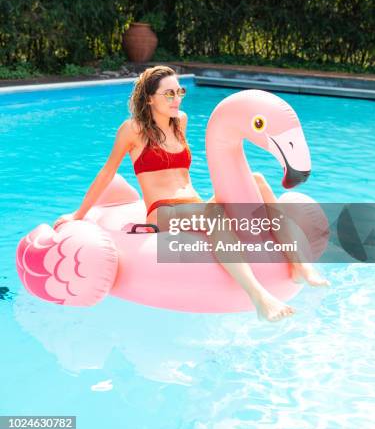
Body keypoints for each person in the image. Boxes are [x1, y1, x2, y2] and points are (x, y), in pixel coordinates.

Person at [53, 65, 329, 322]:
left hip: (194, 204)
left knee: (256, 180)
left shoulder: (180, 122)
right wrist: (79, 215)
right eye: (169, 93)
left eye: (179, 92)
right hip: (164, 211)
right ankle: (259, 297)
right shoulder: (133, 130)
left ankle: (300, 264)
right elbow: (107, 173)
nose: (177, 99)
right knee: (214, 214)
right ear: (150, 98)